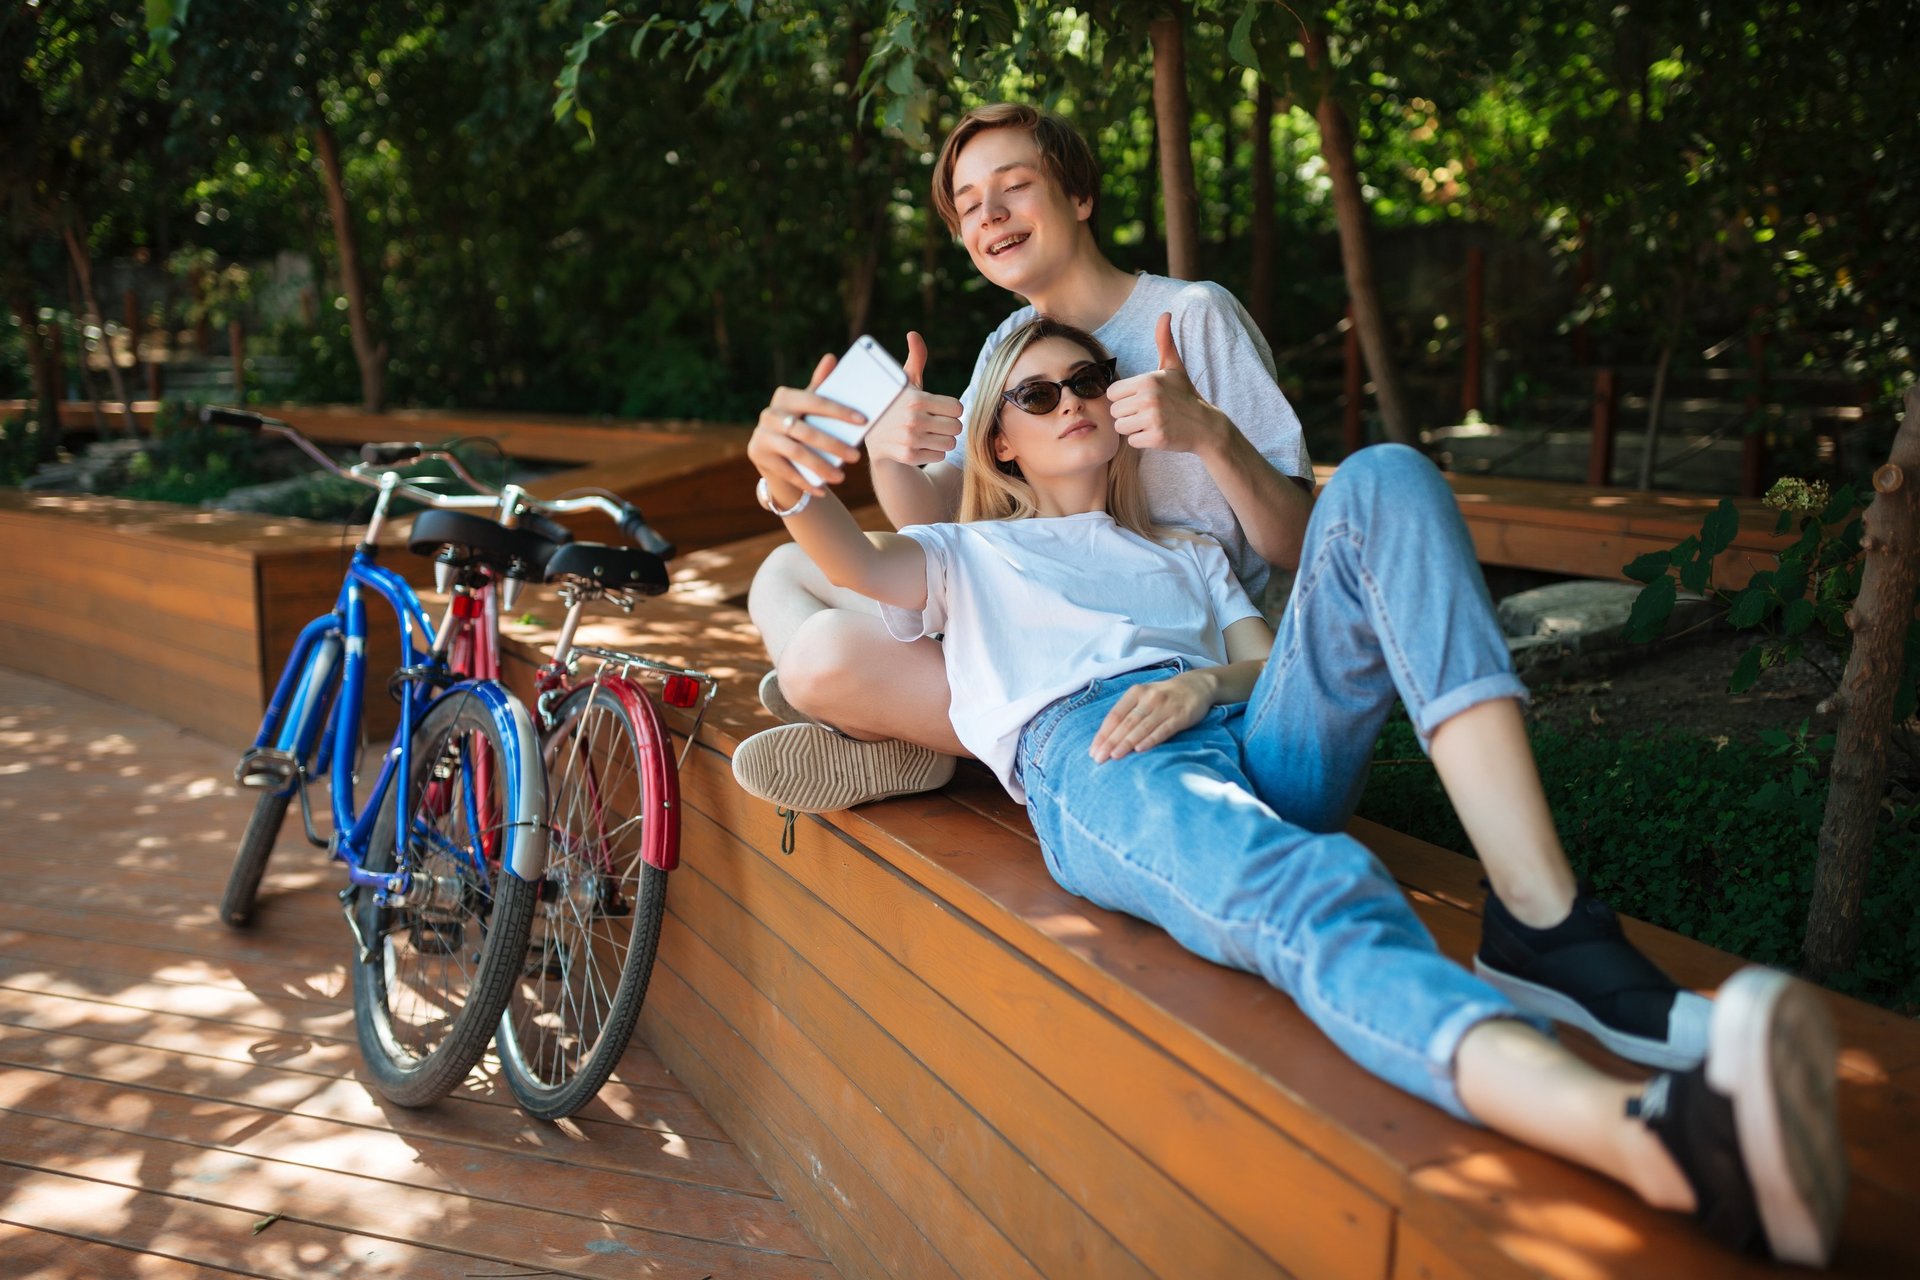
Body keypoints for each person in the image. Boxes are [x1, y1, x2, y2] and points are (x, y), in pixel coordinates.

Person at [745, 316, 1848, 1267]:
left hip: (1249, 727)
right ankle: (1655, 1134)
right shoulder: (964, 552)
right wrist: (787, 477)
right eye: (1040, 392)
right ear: (1002, 438)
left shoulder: (1181, 549)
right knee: (1322, 884)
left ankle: (1544, 918)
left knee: (1385, 476)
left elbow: (1268, 657)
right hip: (1103, 754)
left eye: (1090, 382)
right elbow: (845, 562)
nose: (1073, 400)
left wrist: (1202, 681)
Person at [736, 103, 1714, 1075]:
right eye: (966, 203)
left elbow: (1299, 542)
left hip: (1229, 679)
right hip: (1072, 693)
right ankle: (944, 746)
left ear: (1078, 192)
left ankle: (1541, 910)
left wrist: (1205, 432)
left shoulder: (1190, 317)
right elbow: (962, 530)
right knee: (794, 579)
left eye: (1014, 186)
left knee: (1387, 474)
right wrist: (881, 457)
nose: (989, 215)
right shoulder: (1005, 350)